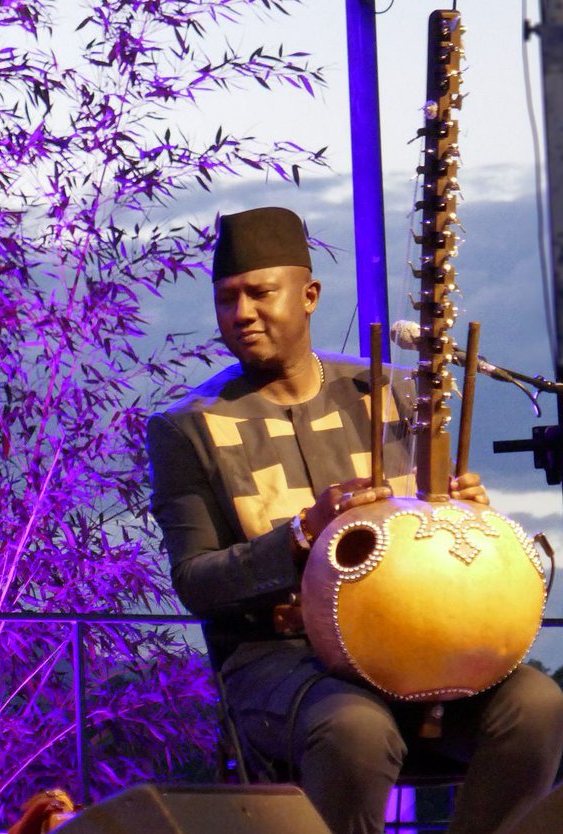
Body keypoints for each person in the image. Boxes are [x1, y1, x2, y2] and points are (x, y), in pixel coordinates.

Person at [146, 206, 563, 834]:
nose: (242, 314)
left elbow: (432, 536)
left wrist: (465, 515)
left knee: (537, 704)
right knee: (356, 728)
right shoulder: (189, 427)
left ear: (309, 295)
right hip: (282, 662)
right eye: (226, 299)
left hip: (416, 648)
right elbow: (196, 581)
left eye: (260, 293)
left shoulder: (391, 393)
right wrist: (299, 535)